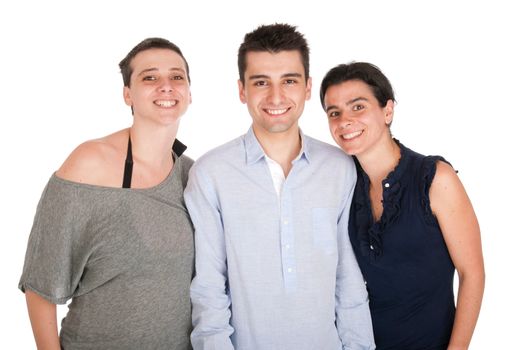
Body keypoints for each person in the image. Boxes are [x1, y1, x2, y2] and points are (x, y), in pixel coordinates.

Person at [184, 24, 375, 350]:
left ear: (307, 88)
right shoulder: (210, 173)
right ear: (242, 90)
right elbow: (208, 288)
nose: (276, 97)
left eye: (289, 81)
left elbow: (348, 279)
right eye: (261, 82)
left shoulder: (339, 168)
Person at [18, 37, 194, 350]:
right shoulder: (88, 163)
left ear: (189, 94)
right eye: (149, 77)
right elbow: (40, 286)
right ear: (128, 94)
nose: (166, 86)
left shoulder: (194, 176)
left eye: (176, 76)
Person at [319, 62, 485, 349]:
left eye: (358, 107)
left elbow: (472, 275)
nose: (344, 120)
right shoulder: (342, 185)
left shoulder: (434, 178)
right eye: (334, 113)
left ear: (387, 110)